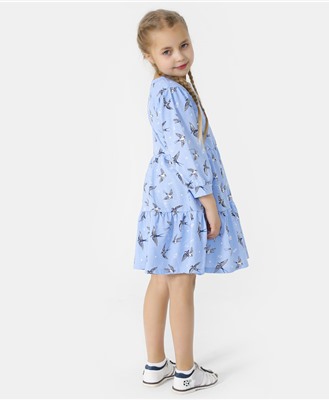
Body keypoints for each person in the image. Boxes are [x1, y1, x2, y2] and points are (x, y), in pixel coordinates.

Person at [134, 9, 250, 394]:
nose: (179, 56)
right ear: (149, 56)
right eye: (166, 51)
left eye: (184, 45)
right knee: (181, 284)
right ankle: (186, 371)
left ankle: (156, 364)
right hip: (183, 201)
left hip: (163, 200)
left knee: (161, 279)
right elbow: (184, 151)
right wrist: (207, 200)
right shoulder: (170, 92)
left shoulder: (166, 89)